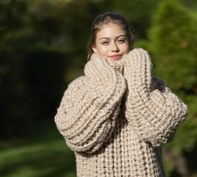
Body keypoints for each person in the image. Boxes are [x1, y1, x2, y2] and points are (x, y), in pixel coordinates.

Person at [54, 11, 188, 177]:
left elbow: (158, 132)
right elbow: (77, 138)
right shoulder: (80, 87)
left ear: (130, 43)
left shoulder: (153, 85)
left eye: (121, 40)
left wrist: (137, 83)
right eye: (105, 42)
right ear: (94, 47)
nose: (114, 48)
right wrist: (111, 86)